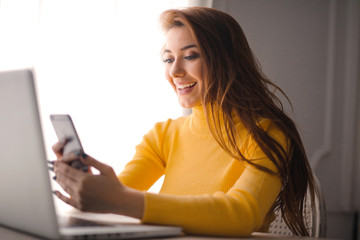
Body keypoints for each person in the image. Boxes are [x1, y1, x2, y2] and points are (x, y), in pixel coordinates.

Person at [53, 6, 316, 237]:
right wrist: (87, 186)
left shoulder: (268, 133)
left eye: (190, 56)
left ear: (227, 61)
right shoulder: (163, 135)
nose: (175, 71)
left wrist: (119, 199)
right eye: (168, 59)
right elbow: (117, 198)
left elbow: (242, 214)